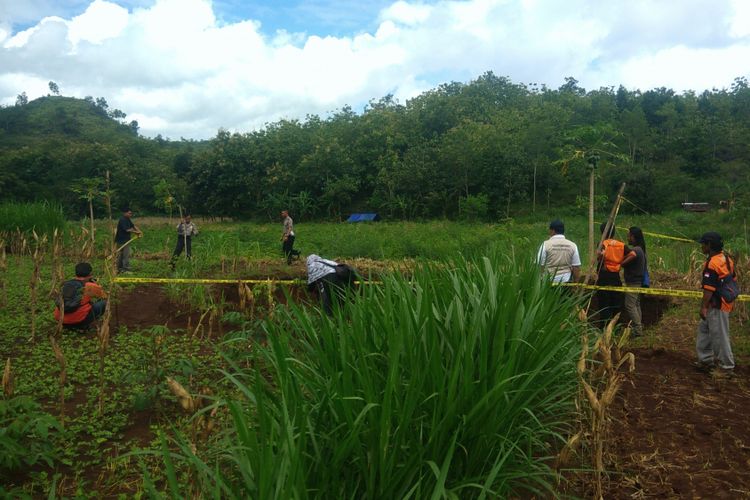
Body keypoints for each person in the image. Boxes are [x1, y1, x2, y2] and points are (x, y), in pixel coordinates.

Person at [694, 232, 735, 376]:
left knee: (719, 335)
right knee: (705, 331)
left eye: (703, 243)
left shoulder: (712, 263)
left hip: (717, 304)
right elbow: (732, 278)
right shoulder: (727, 258)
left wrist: (704, 307)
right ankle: (705, 361)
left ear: (709, 245)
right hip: (724, 300)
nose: (701, 246)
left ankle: (726, 368)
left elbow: (709, 289)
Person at [53, 262, 107, 330]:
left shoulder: (66, 284)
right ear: (90, 274)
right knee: (104, 303)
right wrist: (97, 285)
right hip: (79, 320)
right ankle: (83, 326)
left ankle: (68, 325)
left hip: (60, 319)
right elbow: (104, 296)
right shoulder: (90, 286)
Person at [620, 226, 648, 338]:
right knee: (636, 305)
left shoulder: (636, 250)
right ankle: (638, 327)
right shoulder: (640, 249)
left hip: (633, 282)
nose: (628, 238)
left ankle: (638, 330)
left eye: (629, 236)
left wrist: (620, 264)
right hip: (637, 282)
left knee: (630, 305)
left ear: (634, 237)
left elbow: (630, 257)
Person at [595, 222, 624, 327]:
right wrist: (621, 263)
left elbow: (599, 258)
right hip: (616, 277)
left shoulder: (602, 244)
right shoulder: (620, 244)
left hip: (604, 276)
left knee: (604, 304)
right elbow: (631, 254)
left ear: (602, 232)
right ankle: (615, 327)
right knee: (616, 304)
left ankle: (604, 327)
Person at [537, 219, 581, 283]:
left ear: (553, 231)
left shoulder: (545, 245)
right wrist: (576, 283)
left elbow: (540, 265)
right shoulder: (572, 245)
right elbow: (576, 267)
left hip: (548, 282)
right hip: (566, 281)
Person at [115, 208, 142, 273]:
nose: (131, 214)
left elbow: (133, 226)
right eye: (129, 213)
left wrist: (139, 231)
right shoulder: (122, 220)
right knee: (125, 255)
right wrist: (136, 232)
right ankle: (126, 269)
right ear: (125, 213)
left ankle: (120, 268)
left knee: (121, 255)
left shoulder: (127, 219)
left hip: (126, 240)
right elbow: (127, 230)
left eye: (131, 213)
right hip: (122, 240)